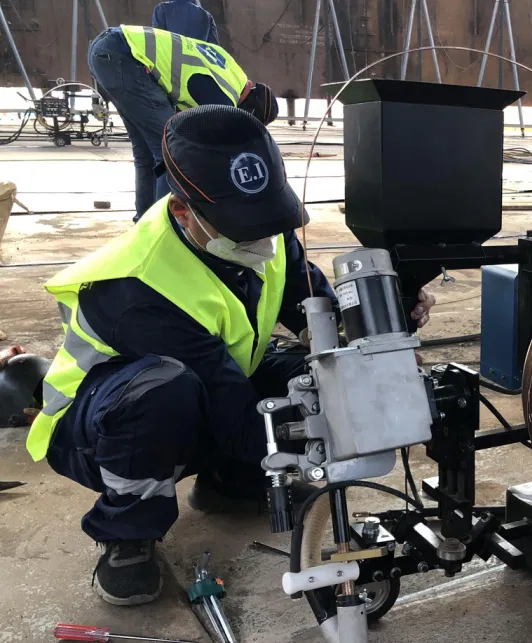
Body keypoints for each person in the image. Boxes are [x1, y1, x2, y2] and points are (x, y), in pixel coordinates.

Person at [24, 106, 436, 607]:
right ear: (182, 211)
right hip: (101, 429)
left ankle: (231, 483)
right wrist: (319, 431)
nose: (263, 239)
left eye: (269, 220)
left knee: (305, 373)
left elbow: (318, 318)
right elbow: (237, 420)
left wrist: (386, 322)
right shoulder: (138, 286)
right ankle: (127, 529)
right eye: (246, 228)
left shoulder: (266, 231)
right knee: (166, 392)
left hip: (210, 383)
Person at [88, 25, 278, 222]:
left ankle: (144, 222)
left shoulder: (232, 72)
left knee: (146, 152)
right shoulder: (222, 100)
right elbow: (208, 150)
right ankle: (165, 227)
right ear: (248, 112)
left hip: (112, 48)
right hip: (126, 57)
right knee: (170, 154)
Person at [152, 0, 218, 43]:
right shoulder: (207, 16)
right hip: (197, 64)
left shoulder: (162, 9)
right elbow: (215, 53)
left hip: (170, 63)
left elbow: (158, 42)